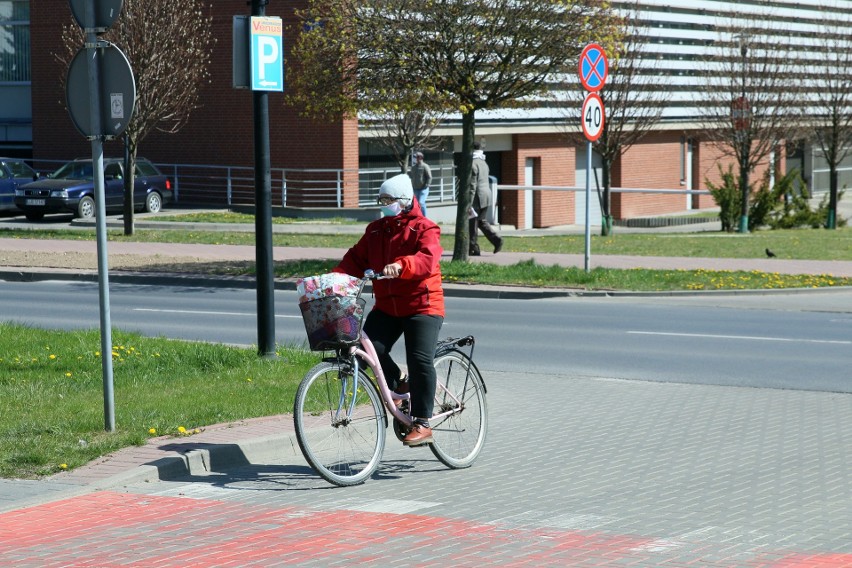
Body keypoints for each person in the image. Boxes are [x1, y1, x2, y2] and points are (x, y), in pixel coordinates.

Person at [333, 173, 444, 447]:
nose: (383, 204)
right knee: (367, 347)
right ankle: (398, 381)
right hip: (388, 307)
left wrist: (402, 265)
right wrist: (333, 280)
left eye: (388, 200)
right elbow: (355, 260)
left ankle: (423, 422)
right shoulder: (374, 231)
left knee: (420, 360)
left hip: (423, 305)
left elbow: (427, 259)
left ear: (404, 201)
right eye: (381, 199)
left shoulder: (425, 228)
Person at [468, 142, 503, 256]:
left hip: (477, 197)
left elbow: (473, 185)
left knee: (473, 222)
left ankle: (474, 248)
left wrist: (469, 202)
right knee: (481, 221)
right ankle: (496, 240)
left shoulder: (473, 164)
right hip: (486, 195)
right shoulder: (483, 162)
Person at [408, 151, 432, 217]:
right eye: (414, 157)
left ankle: (424, 217)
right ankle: (419, 217)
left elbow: (429, 177)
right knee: (416, 204)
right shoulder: (413, 167)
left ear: (420, 158)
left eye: (416, 157)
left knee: (421, 202)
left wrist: (426, 185)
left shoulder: (425, 166)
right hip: (415, 189)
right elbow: (411, 177)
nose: (415, 159)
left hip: (423, 189)